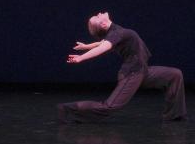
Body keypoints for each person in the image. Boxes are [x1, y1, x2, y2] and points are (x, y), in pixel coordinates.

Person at [58, 12, 187, 123]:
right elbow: (104, 46)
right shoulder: (116, 33)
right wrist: (81, 58)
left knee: (175, 75)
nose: (99, 14)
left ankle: (173, 116)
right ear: (103, 24)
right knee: (109, 107)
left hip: (143, 71)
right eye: (97, 17)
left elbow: (102, 42)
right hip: (132, 73)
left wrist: (86, 46)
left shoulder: (114, 32)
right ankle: (67, 109)